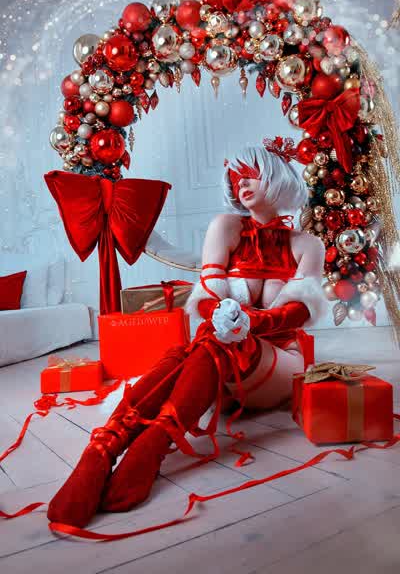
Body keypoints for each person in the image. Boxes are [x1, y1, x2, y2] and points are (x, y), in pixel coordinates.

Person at [47, 142, 327, 528]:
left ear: (276, 177)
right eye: (236, 179)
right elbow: (207, 295)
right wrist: (224, 316)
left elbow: (301, 311)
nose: (242, 184)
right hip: (222, 356)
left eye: (251, 175)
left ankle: (144, 442)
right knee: (196, 347)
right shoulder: (226, 227)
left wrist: (250, 323)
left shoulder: (308, 245)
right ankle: (109, 444)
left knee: (214, 342)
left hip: (280, 362)